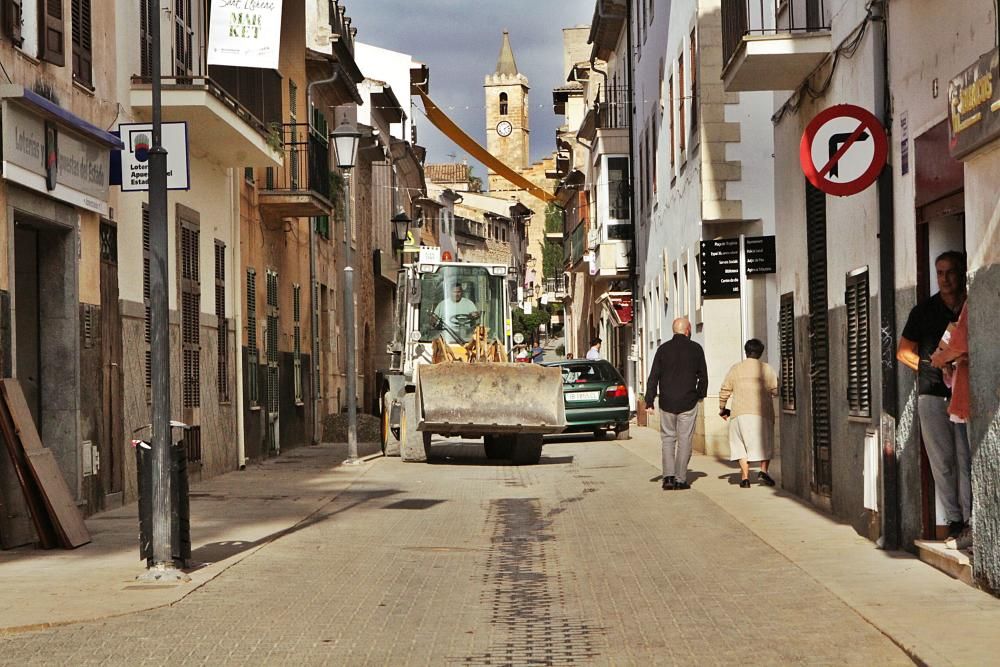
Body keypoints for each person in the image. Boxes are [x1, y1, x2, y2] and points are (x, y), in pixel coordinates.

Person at [897, 250, 969, 539]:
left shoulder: (970, 306)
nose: (945, 279)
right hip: (932, 394)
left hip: (964, 392)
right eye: (939, 273)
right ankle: (954, 519)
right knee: (943, 460)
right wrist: (929, 367)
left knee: (966, 457)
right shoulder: (923, 311)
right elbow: (903, 353)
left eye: (950, 272)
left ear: (962, 273)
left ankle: (970, 519)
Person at [644, 317, 708, 490]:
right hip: (688, 401)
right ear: (687, 330)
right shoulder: (696, 349)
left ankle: (668, 478)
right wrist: (700, 395)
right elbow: (703, 375)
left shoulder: (663, 349)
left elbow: (653, 377)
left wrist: (649, 400)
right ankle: (681, 479)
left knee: (667, 439)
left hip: (667, 402)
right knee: (685, 440)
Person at [931, 301, 972, 550]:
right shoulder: (965, 308)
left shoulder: (970, 305)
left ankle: (970, 525)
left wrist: (941, 358)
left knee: (967, 465)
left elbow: (960, 346)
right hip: (961, 397)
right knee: (962, 464)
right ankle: (968, 524)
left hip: (967, 399)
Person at [719, 339, 779, 489]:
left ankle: (745, 478)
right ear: (761, 353)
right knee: (765, 442)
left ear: (746, 351)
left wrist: (722, 408)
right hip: (762, 412)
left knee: (740, 445)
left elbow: (725, 390)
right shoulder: (766, 369)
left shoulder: (736, 368)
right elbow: (776, 389)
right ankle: (763, 471)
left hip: (739, 412)